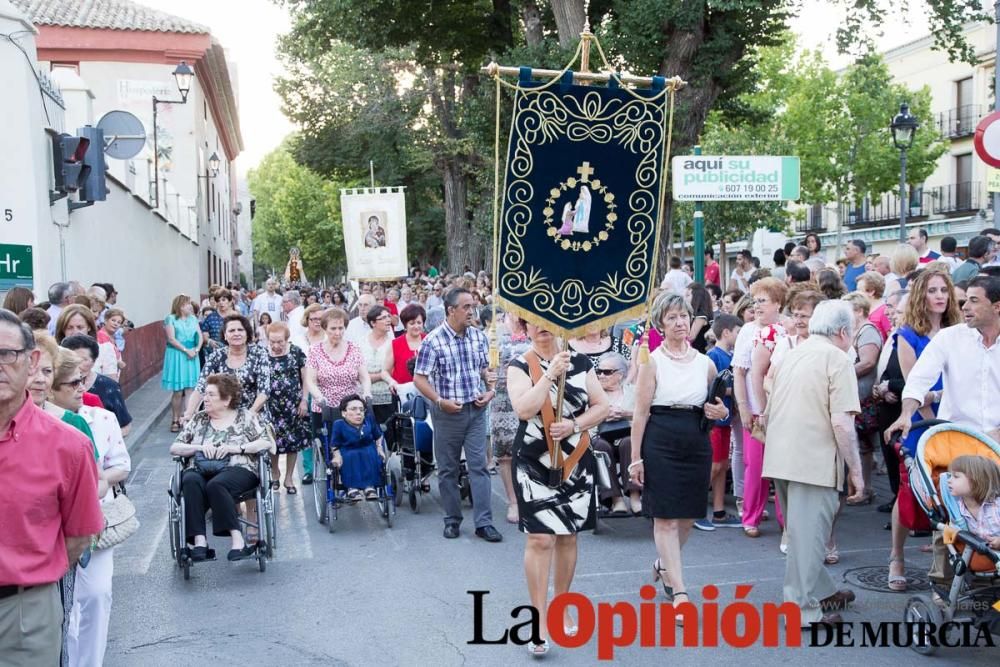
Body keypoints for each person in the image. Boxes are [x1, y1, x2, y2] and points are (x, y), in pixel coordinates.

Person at [0, 310, 103, 665]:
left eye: (6, 354)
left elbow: (77, 539)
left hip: (25, 613)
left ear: (31, 362)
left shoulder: (68, 447)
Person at [506, 321, 608, 656]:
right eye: (532, 322)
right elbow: (523, 409)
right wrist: (550, 375)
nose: (540, 328)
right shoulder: (520, 365)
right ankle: (537, 620)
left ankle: (561, 605)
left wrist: (576, 424)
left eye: (546, 321)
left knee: (567, 535)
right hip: (534, 459)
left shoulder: (580, 363)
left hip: (575, 457)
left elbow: (602, 406)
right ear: (525, 327)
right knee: (540, 538)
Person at [763, 300, 864, 625]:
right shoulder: (838, 358)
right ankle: (802, 609)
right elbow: (842, 423)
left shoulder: (794, 353)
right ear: (842, 331)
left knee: (800, 534)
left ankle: (820, 590)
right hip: (814, 458)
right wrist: (857, 472)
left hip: (782, 454)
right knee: (809, 537)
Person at [629, 292, 729, 614]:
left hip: (696, 441)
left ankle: (663, 564)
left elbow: (718, 406)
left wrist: (719, 412)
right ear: (661, 323)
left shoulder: (706, 363)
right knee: (666, 520)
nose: (679, 323)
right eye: (671, 318)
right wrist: (635, 458)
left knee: (687, 517)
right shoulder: (652, 361)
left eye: (683, 316)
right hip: (660, 439)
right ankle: (681, 593)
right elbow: (640, 413)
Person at [48, 353, 130, 667]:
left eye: (83, 380)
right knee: (66, 605)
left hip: (93, 519)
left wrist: (89, 492)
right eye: (73, 383)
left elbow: (116, 468)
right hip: (57, 528)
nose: (82, 388)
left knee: (96, 595)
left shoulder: (97, 418)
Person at [883, 267, 962, 591]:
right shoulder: (908, 334)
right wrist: (934, 407)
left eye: (944, 290)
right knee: (908, 493)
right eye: (932, 290)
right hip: (921, 422)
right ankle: (896, 556)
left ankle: (943, 566)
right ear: (921, 295)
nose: (940, 296)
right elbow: (915, 385)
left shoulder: (960, 331)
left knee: (952, 497)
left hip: (957, 423)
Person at [413, 287, 501, 542]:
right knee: (448, 469)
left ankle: (484, 523)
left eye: (472, 306)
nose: (472, 312)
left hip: (476, 409)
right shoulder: (433, 340)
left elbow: (486, 369)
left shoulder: (479, 337)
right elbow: (419, 378)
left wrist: (491, 389)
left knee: (479, 467)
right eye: (466, 307)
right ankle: (452, 520)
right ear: (451, 310)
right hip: (447, 413)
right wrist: (440, 401)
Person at [170, 374, 276, 562]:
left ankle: (238, 540)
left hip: (239, 468)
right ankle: (200, 541)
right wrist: (200, 448)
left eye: (211, 395)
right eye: (205, 394)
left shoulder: (246, 417)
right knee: (190, 481)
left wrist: (236, 448)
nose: (205, 398)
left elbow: (268, 443)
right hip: (201, 469)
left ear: (226, 400)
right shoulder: (199, 419)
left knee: (216, 485)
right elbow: (175, 447)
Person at [734, 277, 788, 537]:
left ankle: (785, 518)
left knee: (784, 466)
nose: (757, 306)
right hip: (756, 409)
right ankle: (751, 517)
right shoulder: (747, 330)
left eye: (763, 301)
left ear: (778, 303)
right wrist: (743, 406)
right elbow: (739, 373)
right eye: (755, 301)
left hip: (785, 409)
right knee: (755, 465)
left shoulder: (787, 329)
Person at [303, 307, 371, 485]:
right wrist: (319, 397)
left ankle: (355, 479)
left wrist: (367, 392)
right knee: (328, 446)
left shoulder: (354, 349)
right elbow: (310, 380)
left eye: (341, 328)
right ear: (325, 328)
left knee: (352, 445)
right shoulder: (315, 350)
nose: (337, 332)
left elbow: (364, 376)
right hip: (324, 406)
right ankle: (335, 477)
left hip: (349, 407)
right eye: (333, 328)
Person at [696, 314, 743, 531]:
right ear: (726, 332)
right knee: (714, 465)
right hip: (714, 419)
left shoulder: (731, 355)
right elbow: (709, 386)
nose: (738, 336)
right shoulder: (713, 356)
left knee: (723, 465)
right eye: (737, 331)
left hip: (725, 418)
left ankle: (719, 511)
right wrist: (737, 390)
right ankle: (693, 508)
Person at [184, 314, 271, 423]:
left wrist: (249, 415)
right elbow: (201, 387)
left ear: (247, 334)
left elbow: (264, 390)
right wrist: (188, 413)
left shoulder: (259, 354)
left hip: (254, 414)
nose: (236, 333)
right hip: (222, 416)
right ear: (225, 335)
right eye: (231, 331)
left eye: (240, 330)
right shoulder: (217, 356)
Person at [842, 291, 884, 507]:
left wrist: (842, 372)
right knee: (858, 444)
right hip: (856, 396)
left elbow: (868, 362)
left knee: (863, 446)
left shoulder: (868, 332)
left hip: (864, 397)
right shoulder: (856, 331)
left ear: (858, 310)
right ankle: (857, 487)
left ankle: (864, 488)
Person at [489, 311, 531, 524]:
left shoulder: (534, 326)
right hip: (503, 397)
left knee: (532, 446)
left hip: (531, 394)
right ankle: (513, 501)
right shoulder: (495, 331)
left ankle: (530, 498)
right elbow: (485, 363)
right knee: (507, 451)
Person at [589, 351, 638, 515]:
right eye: (599, 371)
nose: (601, 375)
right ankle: (615, 499)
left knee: (629, 442)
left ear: (620, 375)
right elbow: (583, 419)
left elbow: (648, 413)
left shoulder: (634, 391)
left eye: (607, 372)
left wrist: (626, 414)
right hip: (601, 437)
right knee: (600, 447)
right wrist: (601, 415)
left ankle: (635, 495)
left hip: (628, 438)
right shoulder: (592, 394)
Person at [265, 322, 310, 494]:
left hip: (293, 404)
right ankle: (275, 474)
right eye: (272, 342)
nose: (276, 346)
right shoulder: (262, 353)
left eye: (280, 342)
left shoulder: (296, 352)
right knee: (273, 441)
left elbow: (305, 379)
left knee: (293, 442)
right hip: (271, 405)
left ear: (287, 339)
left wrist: (304, 400)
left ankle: (289, 478)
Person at [61, 335, 134, 436]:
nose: (76, 364)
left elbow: (125, 425)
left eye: (83, 360)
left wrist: (103, 442)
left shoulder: (110, 387)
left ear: (94, 361)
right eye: (71, 359)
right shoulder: (55, 386)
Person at [328, 394, 388, 501]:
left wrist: (380, 448)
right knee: (350, 456)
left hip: (367, 447)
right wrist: (336, 456)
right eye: (353, 409)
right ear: (344, 413)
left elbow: (378, 436)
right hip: (347, 450)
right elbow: (334, 444)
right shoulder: (339, 425)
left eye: (361, 409)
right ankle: (351, 487)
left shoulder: (369, 420)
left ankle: (370, 487)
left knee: (371, 454)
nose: (358, 412)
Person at [162, 295, 202, 433]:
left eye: (190, 304)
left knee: (190, 389)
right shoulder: (171, 319)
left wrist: (196, 349)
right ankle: (175, 418)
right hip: (177, 355)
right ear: (179, 306)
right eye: (186, 304)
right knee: (178, 391)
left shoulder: (193, 319)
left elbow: (200, 335)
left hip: (192, 354)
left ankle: (188, 418)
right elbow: (171, 339)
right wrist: (186, 351)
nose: (190, 306)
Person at [947, 455, 1000, 548]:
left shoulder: (996, 505)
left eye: (956, 476)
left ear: (977, 480)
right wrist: (949, 546)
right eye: (950, 476)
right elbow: (949, 532)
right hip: (979, 555)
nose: (949, 480)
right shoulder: (956, 508)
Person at [360, 305, 397, 426]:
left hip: (388, 398)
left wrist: (373, 376)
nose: (388, 320)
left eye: (388, 317)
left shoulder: (394, 343)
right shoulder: (361, 342)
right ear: (373, 323)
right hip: (364, 398)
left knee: (389, 435)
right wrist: (381, 375)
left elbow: (393, 371)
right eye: (383, 318)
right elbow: (356, 373)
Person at [385, 304, 426, 388]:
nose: (416, 326)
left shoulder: (429, 341)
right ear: (405, 325)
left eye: (419, 323)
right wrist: (391, 381)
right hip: (402, 392)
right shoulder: (395, 344)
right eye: (412, 323)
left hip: (427, 392)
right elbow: (385, 371)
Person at [96, 308, 126, 381]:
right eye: (113, 320)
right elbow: (102, 358)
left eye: (119, 322)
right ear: (106, 320)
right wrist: (118, 362)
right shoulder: (101, 336)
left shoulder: (111, 336)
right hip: (105, 377)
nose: (116, 324)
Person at [687, 283, 714, 354]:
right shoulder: (695, 314)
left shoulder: (701, 316)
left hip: (699, 351)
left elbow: (691, 337)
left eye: (688, 295)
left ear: (696, 297)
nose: (684, 298)